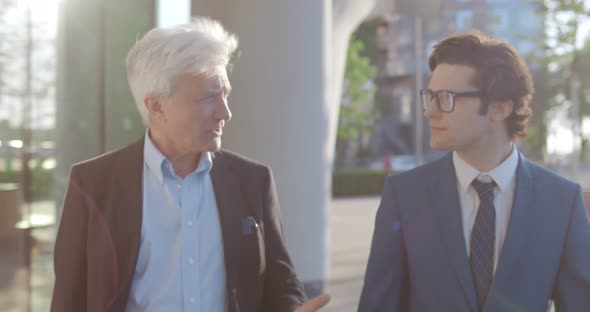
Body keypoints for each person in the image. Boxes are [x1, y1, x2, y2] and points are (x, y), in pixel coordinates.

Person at [51, 17, 329, 312]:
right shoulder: (93, 183)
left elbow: (281, 283)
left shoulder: (254, 180)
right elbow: (69, 299)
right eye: (209, 97)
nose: (225, 113)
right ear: (156, 105)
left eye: (225, 95)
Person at [359, 31, 590, 311]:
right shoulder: (405, 196)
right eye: (430, 97)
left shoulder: (561, 202)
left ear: (499, 108)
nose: (430, 111)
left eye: (445, 98)